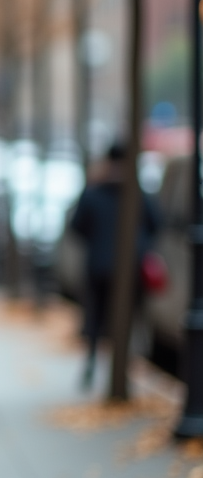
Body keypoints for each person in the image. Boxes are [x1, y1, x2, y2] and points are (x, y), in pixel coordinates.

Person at [68, 143, 161, 391]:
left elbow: (77, 226)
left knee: (96, 319)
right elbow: (156, 224)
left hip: (98, 265)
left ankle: (91, 363)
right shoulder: (137, 193)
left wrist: (97, 242)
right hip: (130, 267)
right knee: (127, 319)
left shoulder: (93, 192)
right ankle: (124, 368)